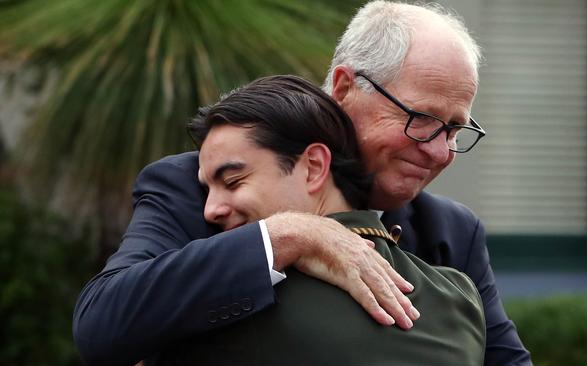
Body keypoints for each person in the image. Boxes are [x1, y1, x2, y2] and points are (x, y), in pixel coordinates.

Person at [73, 1, 531, 365]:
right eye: (420, 119)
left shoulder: (450, 232)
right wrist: (287, 236)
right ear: (345, 87)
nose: (438, 151)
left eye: (454, 129)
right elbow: (102, 322)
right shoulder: (195, 189)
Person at [155, 74, 485, 365]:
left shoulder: (234, 310)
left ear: (314, 166)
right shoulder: (459, 297)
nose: (210, 210)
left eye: (233, 181)